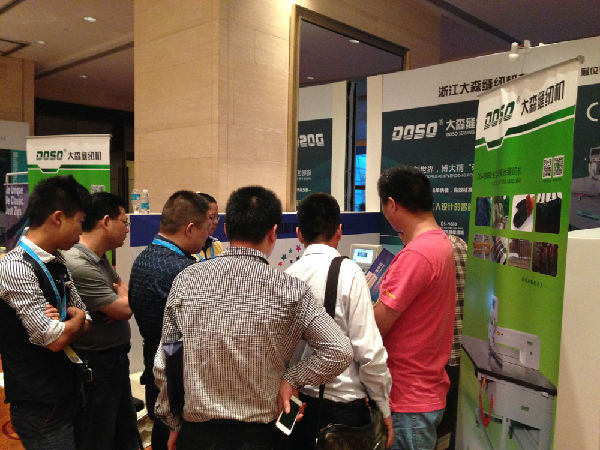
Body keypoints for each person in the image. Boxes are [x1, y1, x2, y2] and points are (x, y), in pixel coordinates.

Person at [154, 185, 353, 450]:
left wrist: (173, 422)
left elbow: (165, 363)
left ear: (226, 230)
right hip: (261, 437)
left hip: (198, 433)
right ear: (273, 233)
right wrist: (293, 378)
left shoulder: (186, 281)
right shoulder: (291, 289)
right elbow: (339, 351)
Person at [286, 193, 394, 449]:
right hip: (342, 411)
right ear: (339, 230)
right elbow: (369, 352)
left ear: (299, 234)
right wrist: (383, 406)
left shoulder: (287, 276)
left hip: (297, 408)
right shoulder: (350, 273)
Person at [0, 175, 91, 450]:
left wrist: (71, 322)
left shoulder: (57, 260)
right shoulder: (15, 266)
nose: (81, 232)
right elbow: (54, 339)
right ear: (58, 218)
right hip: (39, 404)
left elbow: (86, 319)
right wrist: (73, 321)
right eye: (80, 222)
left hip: (67, 390)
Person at [374, 166, 456, 450]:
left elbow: (376, 326)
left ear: (392, 204)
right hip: (424, 389)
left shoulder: (417, 254)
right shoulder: (440, 243)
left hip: (408, 398)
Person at [129, 190, 210, 450]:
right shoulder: (186, 271)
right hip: (183, 381)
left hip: (154, 368)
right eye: (205, 230)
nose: (207, 237)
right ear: (190, 228)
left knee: (161, 432)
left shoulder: (143, 259)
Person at [62, 192, 139, 450]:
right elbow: (125, 309)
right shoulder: (79, 263)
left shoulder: (99, 257)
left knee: (124, 434)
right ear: (106, 221)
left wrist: (120, 295)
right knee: (100, 438)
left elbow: (124, 294)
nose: (127, 229)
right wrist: (120, 297)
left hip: (113, 361)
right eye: (124, 222)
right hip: (95, 367)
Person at [437, 233, 467, 449]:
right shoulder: (460, 244)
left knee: (431, 418)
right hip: (462, 349)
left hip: (438, 355)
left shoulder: (422, 253)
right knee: (457, 416)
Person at [194, 192, 223, 261]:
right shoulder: (186, 250)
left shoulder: (216, 244)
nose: (216, 222)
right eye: (211, 217)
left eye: (217, 217)